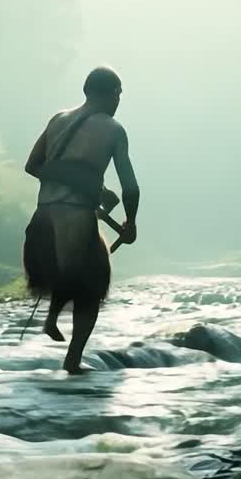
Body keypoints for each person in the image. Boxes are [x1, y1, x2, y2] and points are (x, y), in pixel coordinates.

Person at [22, 65, 140, 374]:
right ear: (113, 94)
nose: (118, 101)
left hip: (41, 221)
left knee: (76, 276)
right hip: (73, 220)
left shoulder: (58, 120)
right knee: (93, 286)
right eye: (118, 95)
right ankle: (72, 360)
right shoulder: (113, 129)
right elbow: (130, 186)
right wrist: (130, 222)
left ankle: (53, 321)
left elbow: (33, 166)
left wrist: (88, 188)